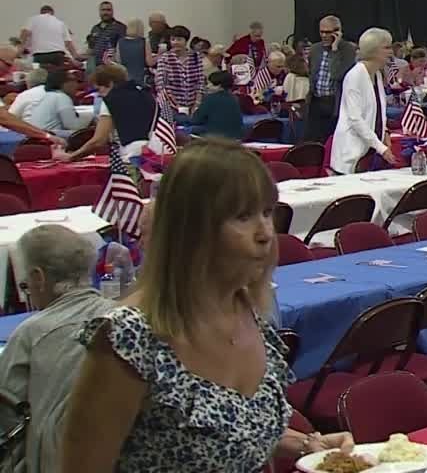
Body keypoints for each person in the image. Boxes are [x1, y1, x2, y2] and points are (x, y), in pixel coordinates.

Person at [60, 140, 352, 472]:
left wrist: (308, 445)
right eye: (243, 216)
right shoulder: (130, 338)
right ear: (190, 231)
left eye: (267, 212)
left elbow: (231, 427)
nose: (265, 233)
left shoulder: (245, 309)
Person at [0, 225, 117, 473]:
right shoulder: (128, 319)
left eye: (25, 285)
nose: (28, 290)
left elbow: (5, 421)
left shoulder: (31, 334)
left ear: (39, 278)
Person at [330, 28, 396, 174]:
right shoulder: (355, 75)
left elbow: (378, 110)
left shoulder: (377, 75)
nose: (391, 52)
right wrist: (381, 148)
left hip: (369, 152)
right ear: (373, 51)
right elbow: (355, 119)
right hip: (351, 151)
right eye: (386, 47)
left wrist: (384, 132)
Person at [58, 64, 156, 161]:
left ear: (110, 83)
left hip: (133, 153)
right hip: (156, 149)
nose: (99, 95)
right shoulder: (146, 94)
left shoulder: (111, 99)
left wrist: (71, 156)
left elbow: (99, 140)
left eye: (99, 89)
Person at [304, 15, 357, 143]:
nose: (323, 35)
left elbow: (336, 74)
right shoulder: (315, 49)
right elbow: (312, 74)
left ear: (337, 32)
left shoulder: (348, 50)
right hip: (316, 102)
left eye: (327, 32)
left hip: (335, 102)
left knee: (331, 142)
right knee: (312, 141)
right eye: (321, 32)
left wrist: (334, 50)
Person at [26, 68, 88, 138]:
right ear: (63, 83)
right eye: (73, 80)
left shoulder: (45, 96)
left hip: (35, 136)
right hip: (49, 138)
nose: (76, 84)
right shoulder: (61, 97)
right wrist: (91, 118)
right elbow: (72, 125)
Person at [153, 26, 203, 111]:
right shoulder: (165, 58)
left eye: (179, 39)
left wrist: (197, 104)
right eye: (173, 39)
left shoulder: (195, 57)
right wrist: (176, 106)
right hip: (171, 106)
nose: (175, 42)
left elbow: (200, 82)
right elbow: (161, 85)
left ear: (186, 41)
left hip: (193, 105)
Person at [191, 71, 244, 140]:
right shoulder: (235, 98)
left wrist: (196, 107)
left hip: (216, 139)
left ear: (219, 86)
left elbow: (196, 120)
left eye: (210, 84)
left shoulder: (209, 99)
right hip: (236, 138)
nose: (207, 86)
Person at [86, 1, 127, 67]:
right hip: (95, 67)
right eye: (103, 10)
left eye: (108, 10)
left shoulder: (120, 27)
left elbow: (123, 49)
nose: (105, 12)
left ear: (112, 12)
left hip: (111, 67)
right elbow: (91, 48)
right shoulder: (95, 28)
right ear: (99, 12)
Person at [115, 19, 153, 86]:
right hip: (140, 79)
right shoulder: (144, 42)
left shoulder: (120, 42)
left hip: (124, 79)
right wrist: (160, 55)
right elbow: (149, 62)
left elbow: (118, 61)